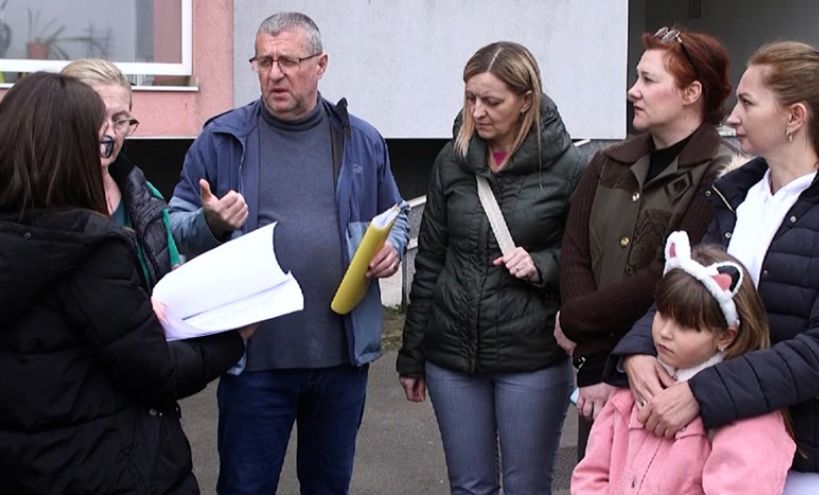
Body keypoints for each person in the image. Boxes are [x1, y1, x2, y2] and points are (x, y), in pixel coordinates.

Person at [168, 12, 409, 495]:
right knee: (245, 487)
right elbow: (175, 225)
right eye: (264, 61)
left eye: (289, 61)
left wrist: (394, 246)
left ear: (320, 64)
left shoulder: (360, 139)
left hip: (340, 362)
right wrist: (211, 223)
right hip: (254, 362)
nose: (274, 74)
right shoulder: (222, 139)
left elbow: (396, 214)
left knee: (329, 486)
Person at [0, 72, 246, 494]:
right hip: (104, 464)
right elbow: (155, 370)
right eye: (97, 137)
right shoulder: (91, 248)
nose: (109, 144)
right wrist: (235, 338)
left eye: (121, 123)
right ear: (72, 151)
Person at [609, 41, 819, 494]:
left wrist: (703, 392)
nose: (732, 117)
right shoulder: (736, 195)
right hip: (706, 440)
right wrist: (638, 349)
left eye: (747, 103)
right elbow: (687, 286)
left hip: (802, 457)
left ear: (795, 117)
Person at [397, 41, 584, 494]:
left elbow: (583, 261)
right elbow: (430, 261)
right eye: (470, 98)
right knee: (469, 487)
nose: (477, 111)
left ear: (526, 100)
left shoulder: (568, 168)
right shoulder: (452, 160)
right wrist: (412, 354)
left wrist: (541, 265)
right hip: (452, 358)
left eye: (492, 101)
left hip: (531, 357)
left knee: (526, 487)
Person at [554, 26, 734, 458]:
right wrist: (593, 359)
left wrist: (574, 318)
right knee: (595, 478)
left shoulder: (721, 173)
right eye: (637, 77)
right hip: (597, 374)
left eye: (648, 80)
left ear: (691, 93)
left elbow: (669, 277)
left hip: (665, 382)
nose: (632, 91)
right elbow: (575, 253)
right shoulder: (607, 162)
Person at [572, 231, 794, 494]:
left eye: (685, 325)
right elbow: (591, 473)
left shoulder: (748, 416)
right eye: (662, 314)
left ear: (725, 336)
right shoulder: (635, 384)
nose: (665, 332)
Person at [61, 58, 179, 290]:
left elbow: (171, 277)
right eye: (97, 117)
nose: (111, 134)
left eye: (120, 121)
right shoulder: (37, 198)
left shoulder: (145, 194)